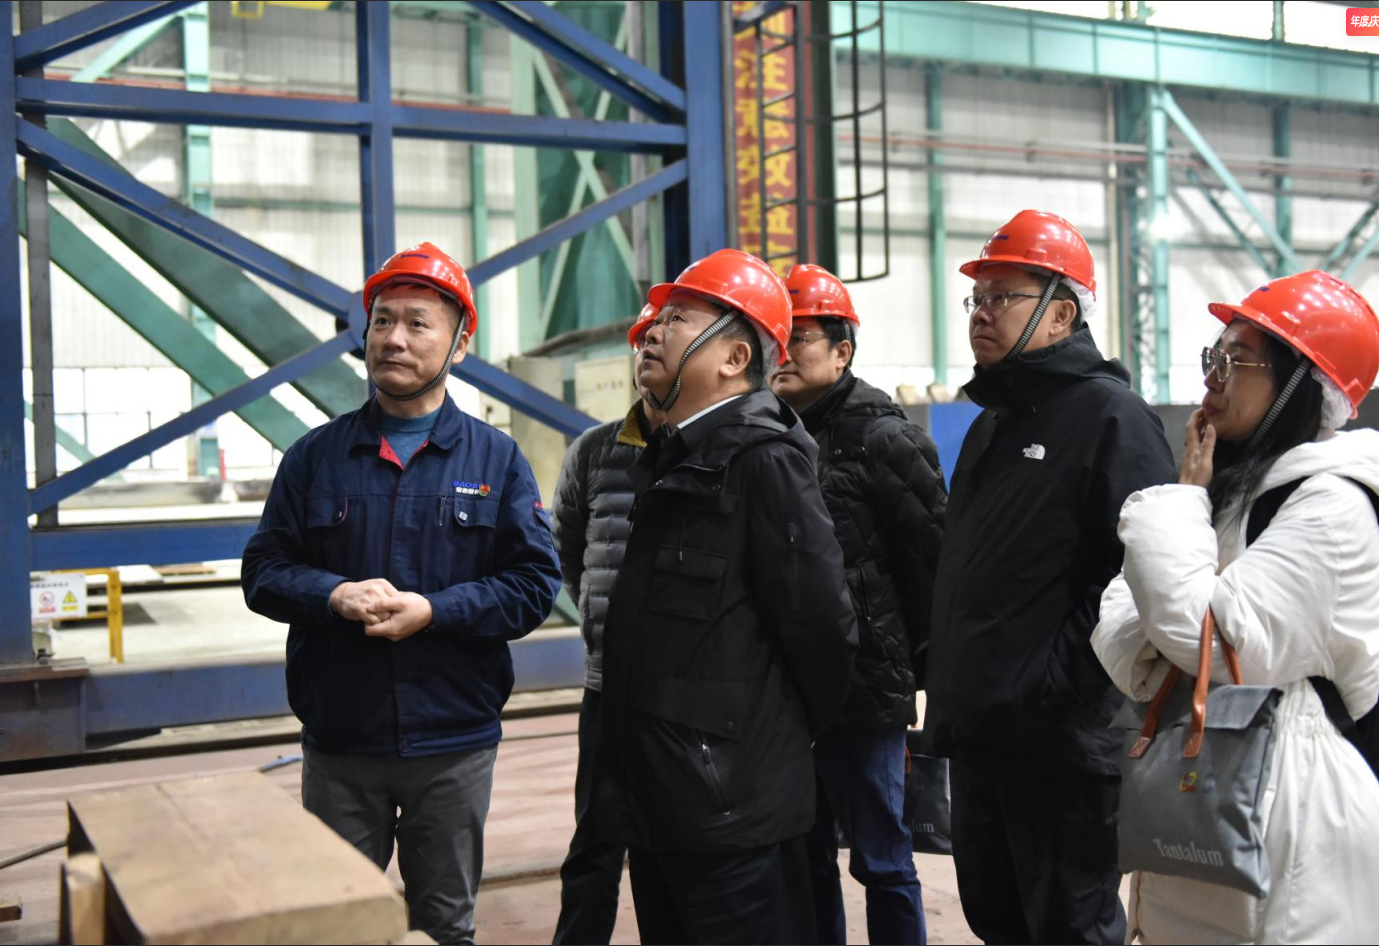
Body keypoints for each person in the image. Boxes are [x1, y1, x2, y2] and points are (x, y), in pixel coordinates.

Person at [241, 242, 562, 945]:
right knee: (336, 926)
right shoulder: (315, 457)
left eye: (418, 323)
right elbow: (263, 570)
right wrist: (333, 595)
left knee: (443, 924)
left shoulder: (496, 459)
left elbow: (533, 585)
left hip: (452, 743)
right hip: (341, 743)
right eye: (383, 320)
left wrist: (436, 611)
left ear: (459, 344)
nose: (393, 338)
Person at [1092, 269, 1379, 943]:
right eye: (1212, 357)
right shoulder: (1234, 497)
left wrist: (1182, 505)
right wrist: (1187, 538)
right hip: (1219, 808)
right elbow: (1127, 649)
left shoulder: (1332, 508)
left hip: (1294, 823)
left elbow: (1208, 643)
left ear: (1300, 384)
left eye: (1235, 360)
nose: (1212, 377)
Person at [923, 210, 1176, 945]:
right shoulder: (991, 425)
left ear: (1061, 314)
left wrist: (1057, 689)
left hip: (1058, 746)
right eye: (976, 298)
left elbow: (1136, 577)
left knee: (1070, 929)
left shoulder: (1112, 419)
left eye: (1001, 297)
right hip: (981, 739)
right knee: (997, 923)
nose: (981, 313)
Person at [600, 248, 859, 945]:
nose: (652, 330)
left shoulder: (763, 462)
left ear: (735, 357)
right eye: (657, 318)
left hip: (731, 809)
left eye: (678, 319)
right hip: (662, 801)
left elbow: (823, 632)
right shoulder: (672, 458)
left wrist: (758, 741)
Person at [771, 263, 946, 946]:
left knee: (882, 856)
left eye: (799, 338)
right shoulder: (767, 434)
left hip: (865, 686)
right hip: (786, 692)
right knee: (803, 852)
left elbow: (931, 564)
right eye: (775, 337)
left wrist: (916, 673)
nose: (783, 352)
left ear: (842, 351)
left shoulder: (884, 438)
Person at [550, 305, 667, 946]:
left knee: (667, 845)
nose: (649, 349)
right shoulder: (595, 451)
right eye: (641, 340)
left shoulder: (720, 448)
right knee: (595, 841)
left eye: (661, 337)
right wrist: (604, 624)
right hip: (606, 686)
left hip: (680, 694)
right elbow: (568, 551)